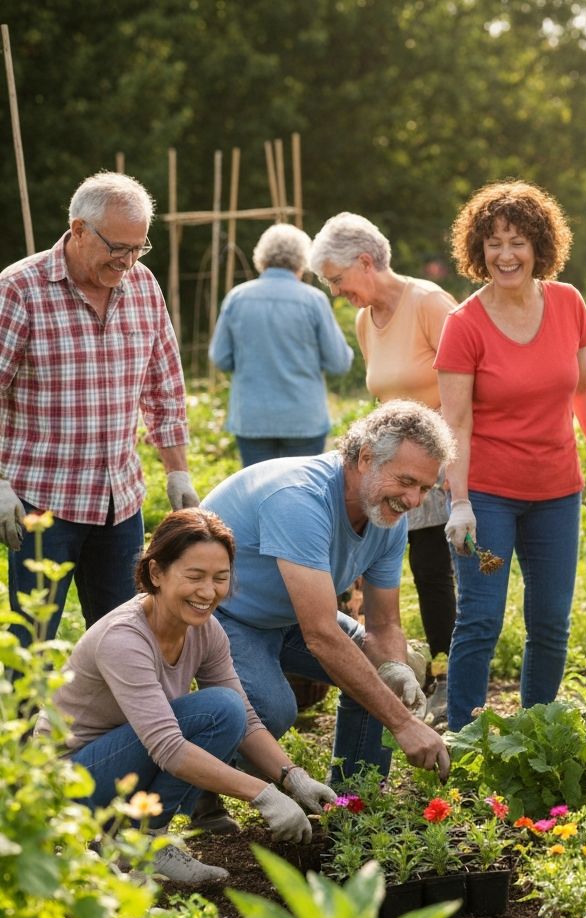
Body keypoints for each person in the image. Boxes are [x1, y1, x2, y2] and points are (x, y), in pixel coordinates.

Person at [37, 508, 336, 885]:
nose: (208, 592)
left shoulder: (205, 631)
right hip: (66, 782)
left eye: (220, 578)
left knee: (229, 712)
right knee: (216, 710)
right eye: (194, 576)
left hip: (121, 762)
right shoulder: (124, 639)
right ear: (156, 573)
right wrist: (262, 794)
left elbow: (245, 717)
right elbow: (167, 747)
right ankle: (131, 846)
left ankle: (142, 844)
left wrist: (292, 778)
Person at [197, 400, 454, 832]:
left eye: (425, 489)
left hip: (286, 615)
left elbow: (384, 625)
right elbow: (320, 633)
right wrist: (403, 723)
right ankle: (194, 780)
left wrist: (393, 669)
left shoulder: (386, 516)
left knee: (390, 669)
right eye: (407, 481)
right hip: (226, 615)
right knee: (270, 711)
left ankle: (353, 804)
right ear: (367, 458)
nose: (413, 499)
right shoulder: (302, 497)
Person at [435, 180, 586, 733]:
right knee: (481, 619)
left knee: (551, 623)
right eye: (493, 243)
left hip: (556, 490)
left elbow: (584, 389)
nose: (505, 255)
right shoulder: (463, 324)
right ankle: (465, 737)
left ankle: (537, 731)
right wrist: (458, 501)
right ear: (478, 250)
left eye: (516, 242)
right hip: (487, 492)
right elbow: (455, 421)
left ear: (539, 246)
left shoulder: (568, 303)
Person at [0, 171, 199, 643]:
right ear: (79, 230)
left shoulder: (144, 286)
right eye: (117, 247)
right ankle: (26, 720)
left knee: (125, 643)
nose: (127, 261)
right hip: (42, 504)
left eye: (138, 248)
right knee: (34, 643)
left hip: (119, 503)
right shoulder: (19, 289)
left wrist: (178, 472)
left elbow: (164, 386)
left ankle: (109, 722)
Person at [309, 213, 457, 701]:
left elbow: (469, 388)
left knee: (433, 572)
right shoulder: (363, 319)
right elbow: (384, 398)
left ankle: (446, 679)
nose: (335, 291)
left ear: (366, 262)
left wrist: (455, 469)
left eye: (336, 279)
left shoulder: (430, 303)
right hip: (391, 465)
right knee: (376, 567)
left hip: (437, 463)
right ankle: (380, 666)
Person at [209, 223, 352, 467]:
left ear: (261, 257)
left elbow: (220, 357)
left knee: (259, 493)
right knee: (302, 494)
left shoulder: (238, 297)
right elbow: (339, 363)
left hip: (252, 419)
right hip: (304, 419)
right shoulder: (314, 300)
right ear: (303, 260)